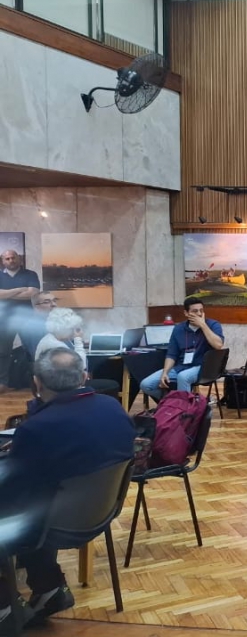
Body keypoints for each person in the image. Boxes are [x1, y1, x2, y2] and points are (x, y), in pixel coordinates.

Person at [0, 348, 135, 633]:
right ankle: (48, 588)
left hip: (53, 523)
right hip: (100, 511)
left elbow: (13, 493)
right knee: (40, 496)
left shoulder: (37, 429)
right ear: (85, 377)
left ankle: (5, 607)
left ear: (37, 383)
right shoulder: (113, 407)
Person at [140, 297, 225, 402]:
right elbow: (171, 354)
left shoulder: (213, 325)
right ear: (186, 313)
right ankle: (173, 403)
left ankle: (184, 410)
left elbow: (218, 345)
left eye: (201, 310)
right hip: (181, 367)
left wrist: (203, 325)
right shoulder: (178, 329)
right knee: (146, 384)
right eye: (195, 311)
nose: (199, 314)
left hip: (203, 367)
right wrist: (165, 372)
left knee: (183, 377)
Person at [0, 249, 40, 394]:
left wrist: (6, 294)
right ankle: (2, 384)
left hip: (26, 318)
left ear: (19, 259)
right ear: (3, 261)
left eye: (13, 257)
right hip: (4, 320)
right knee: (3, 352)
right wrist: (19, 289)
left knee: (33, 351)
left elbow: (32, 294)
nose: (11, 260)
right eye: (7, 258)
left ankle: (39, 383)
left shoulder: (30, 274)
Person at [16, 292, 57, 362]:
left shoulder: (52, 322)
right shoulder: (32, 328)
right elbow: (38, 356)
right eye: (47, 302)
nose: (54, 304)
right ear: (36, 307)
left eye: (54, 301)